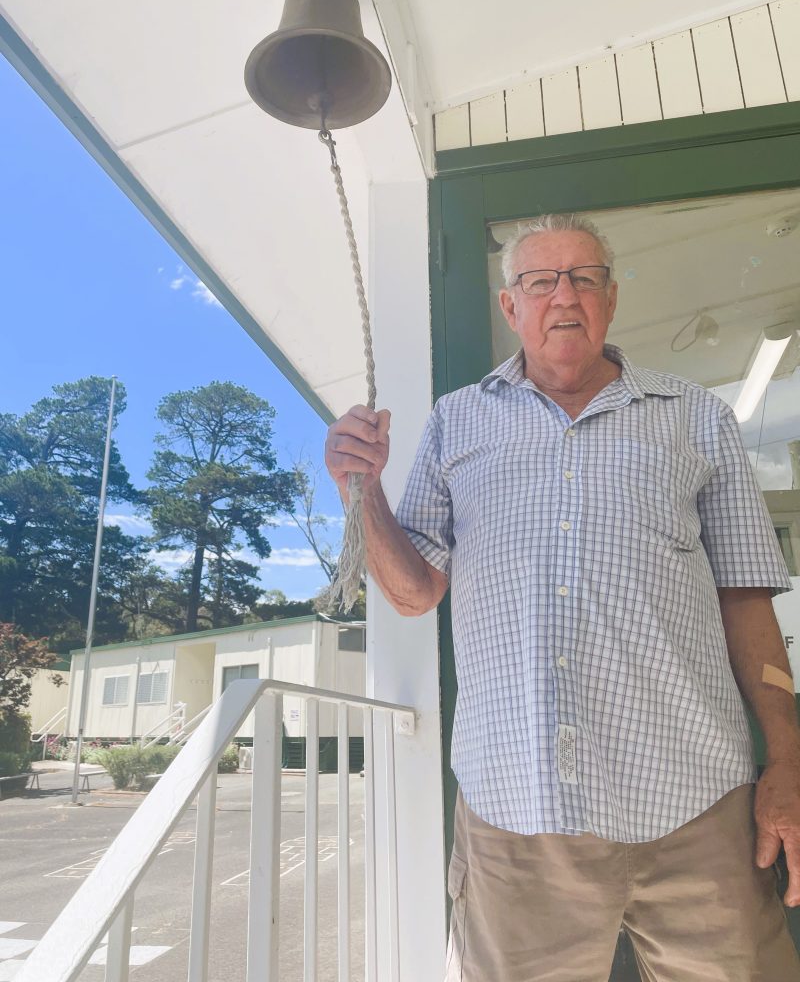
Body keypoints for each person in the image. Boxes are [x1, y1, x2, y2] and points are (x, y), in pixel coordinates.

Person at [325, 212, 800, 981]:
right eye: (539, 281)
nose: (563, 295)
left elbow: (747, 599)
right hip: (515, 819)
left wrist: (788, 760)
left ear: (611, 300)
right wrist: (362, 486)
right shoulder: (457, 421)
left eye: (583, 277)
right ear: (511, 309)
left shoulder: (696, 419)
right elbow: (414, 593)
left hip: (697, 809)